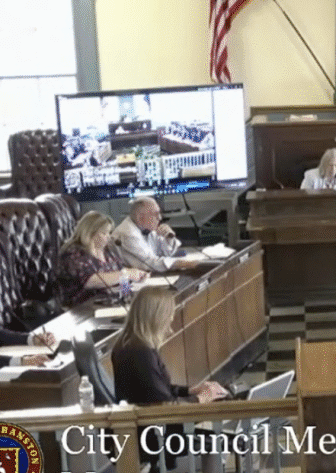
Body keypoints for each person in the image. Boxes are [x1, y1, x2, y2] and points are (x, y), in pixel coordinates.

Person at [111, 287, 227, 472]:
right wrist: (202, 398)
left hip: (149, 428)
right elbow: (165, 406)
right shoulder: (140, 353)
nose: (171, 322)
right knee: (215, 441)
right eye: (168, 316)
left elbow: (155, 390)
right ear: (156, 317)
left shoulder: (131, 343)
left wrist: (190, 391)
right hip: (154, 436)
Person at [58, 211, 149, 308]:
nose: (108, 237)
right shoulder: (73, 252)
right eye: (104, 233)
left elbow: (121, 275)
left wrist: (128, 293)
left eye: (109, 233)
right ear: (90, 232)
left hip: (110, 305)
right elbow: (89, 281)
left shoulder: (107, 251)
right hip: (81, 309)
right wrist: (126, 273)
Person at [112, 197, 199, 272]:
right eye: (156, 214)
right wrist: (185, 264)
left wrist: (169, 238)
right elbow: (151, 263)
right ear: (140, 217)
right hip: (126, 282)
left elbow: (166, 253)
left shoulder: (146, 227)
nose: (160, 218)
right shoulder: (128, 234)